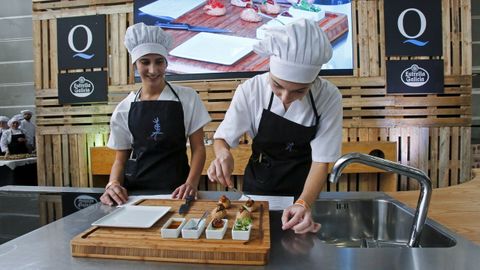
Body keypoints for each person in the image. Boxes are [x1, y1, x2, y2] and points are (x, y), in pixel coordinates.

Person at [207, 19, 342, 234]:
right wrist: (223, 154)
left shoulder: (328, 96)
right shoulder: (251, 90)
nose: (286, 97)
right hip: (257, 192)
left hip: (302, 191)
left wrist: (304, 203)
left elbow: (322, 161)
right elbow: (222, 138)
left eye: (299, 91)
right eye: (277, 85)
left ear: (313, 81)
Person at [100, 23, 211, 206]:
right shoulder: (124, 108)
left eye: (159, 61)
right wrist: (113, 184)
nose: (153, 70)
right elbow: (120, 160)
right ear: (135, 64)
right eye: (145, 62)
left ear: (166, 63)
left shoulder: (187, 98)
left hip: (178, 191)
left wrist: (191, 183)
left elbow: (198, 148)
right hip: (135, 195)